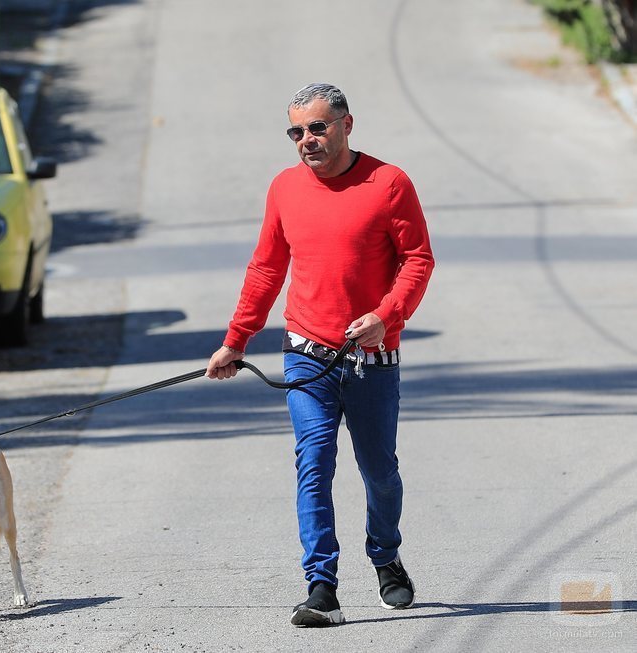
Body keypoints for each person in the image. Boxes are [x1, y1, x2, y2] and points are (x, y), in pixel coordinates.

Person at [206, 83, 434, 627]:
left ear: (346, 124)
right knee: (314, 463)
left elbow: (418, 259)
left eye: (317, 127)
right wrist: (236, 340)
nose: (306, 139)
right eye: (296, 131)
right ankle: (321, 586)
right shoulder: (285, 188)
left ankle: (384, 555)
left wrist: (387, 315)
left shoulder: (389, 183)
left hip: (371, 354)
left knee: (379, 471)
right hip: (306, 352)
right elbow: (266, 268)